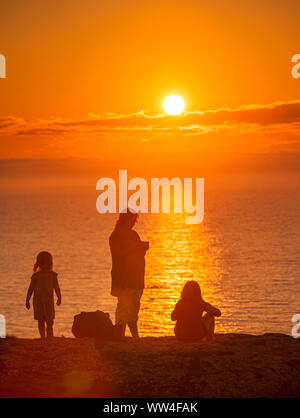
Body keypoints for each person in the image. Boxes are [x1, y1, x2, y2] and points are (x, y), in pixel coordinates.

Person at [109, 209, 149, 339]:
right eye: (131, 220)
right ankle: (119, 335)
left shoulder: (133, 234)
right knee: (123, 308)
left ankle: (135, 337)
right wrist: (136, 248)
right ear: (124, 220)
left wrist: (142, 249)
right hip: (124, 278)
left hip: (137, 277)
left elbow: (138, 254)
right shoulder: (115, 236)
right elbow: (118, 255)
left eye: (134, 221)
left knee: (133, 309)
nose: (133, 223)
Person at [25, 251, 61, 339]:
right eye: (43, 263)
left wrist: (59, 297)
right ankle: (42, 338)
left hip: (49, 301)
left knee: (50, 321)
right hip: (38, 301)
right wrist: (27, 300)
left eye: (47, 263)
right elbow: (31, 289)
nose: (46, 265)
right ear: (39, 264)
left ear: (50, 263)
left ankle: (49, 338)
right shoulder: (35, 276)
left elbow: (57, 288)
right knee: (40, 320)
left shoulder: (53, 275)